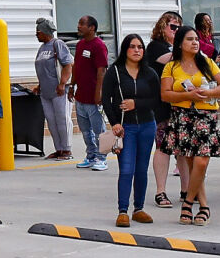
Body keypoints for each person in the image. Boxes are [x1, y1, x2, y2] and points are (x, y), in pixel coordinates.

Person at [159, 26, 220, 226]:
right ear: (180, 43)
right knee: (190, 163)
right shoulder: (171, 66)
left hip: (205, 116)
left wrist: (207, 93)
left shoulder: (207, 62)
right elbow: (165, 94)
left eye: (196, 39)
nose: (195, 42)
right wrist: (187, 95)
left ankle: (188, 202)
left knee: (201, 162)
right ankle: (204, 205)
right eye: (190, 39)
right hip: (182, 116)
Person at [101, 33, 159, 228]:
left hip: (147, 125)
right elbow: (106, 99)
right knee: (126, 169)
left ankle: (139, 209)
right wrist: (114, 123)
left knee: (142, 169)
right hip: (125, 128)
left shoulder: (150, 73)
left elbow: (157, 100)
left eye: (140, 47)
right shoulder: (115, 72)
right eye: (132, 46)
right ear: (125, 50)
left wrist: (137, 104)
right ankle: (123, 210)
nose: (136, 50)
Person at [145, 12, 186, 208]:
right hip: (162, 104)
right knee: (163, 147)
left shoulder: (181, 48)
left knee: (185, 148)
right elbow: (173, 60)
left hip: (183, 102)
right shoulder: (155, 47)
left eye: (180, 27)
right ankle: (160, 191)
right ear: (163, 26)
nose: (176, 30)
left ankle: (187, 190)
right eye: (173, 26)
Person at [70, 15, 110, 171]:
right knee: (85, 130)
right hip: (81, 96)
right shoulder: (80, 45)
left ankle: (102, 158)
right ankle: (91, 156)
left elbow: (102, 70)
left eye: (82, 24)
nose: (78, 26)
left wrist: (99, 92)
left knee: (98, 129)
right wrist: (72, 85)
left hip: (93, 97)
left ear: (92, 27)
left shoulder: (99, 46)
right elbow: (76, 67)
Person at [32, 18, 74, 162]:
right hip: (46, 91)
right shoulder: (42, 48)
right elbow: (43, 69)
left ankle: (67, 149)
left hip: (59, 90)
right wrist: (39, 85)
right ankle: (59, 149)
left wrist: (62, 83)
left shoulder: (58, 44)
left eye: (38, 32)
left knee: (62, 119)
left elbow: (68, 65)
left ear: (44, 32)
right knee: (51, 120)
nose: (36, 35)